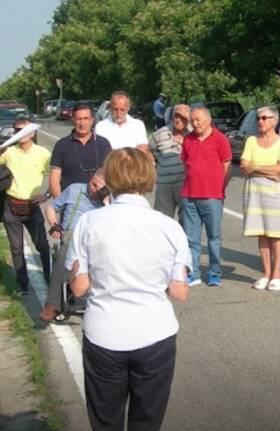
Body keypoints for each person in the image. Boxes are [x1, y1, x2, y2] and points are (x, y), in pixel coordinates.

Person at [65, 148, 191, 429]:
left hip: (104, 333)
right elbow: (179, 292)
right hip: (154, 333)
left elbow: (78, 287)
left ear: (109, 177)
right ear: (149, 176)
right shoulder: (170, 227)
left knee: (105, 419)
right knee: (147, 420)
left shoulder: (88, 222)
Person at [39, 170, 109, 321]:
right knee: (63, 258)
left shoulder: (108, 202)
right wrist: (54, 225)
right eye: (94, 184)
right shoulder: (75, 189)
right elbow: (51, 208)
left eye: (100, 188)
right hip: (71, 239)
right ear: (90, 179)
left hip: (95, 242)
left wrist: (106, 203)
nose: (95, 189)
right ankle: (52, 305)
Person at [240, 106, 280, 291]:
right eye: (258, 118)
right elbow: (244, 166)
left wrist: (256, 168)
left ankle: (277, 273)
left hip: (276, 194)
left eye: (264, 118)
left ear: (274, 121)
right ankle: (266, 272)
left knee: (276, 234)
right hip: (255, 192)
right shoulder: (251, 141)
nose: (260, 121)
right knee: (262, 233)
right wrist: (263, 169)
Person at [181, 107, 232, 287]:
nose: (194, 123)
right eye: (192, 120)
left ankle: (214, 272)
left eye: (198, 120)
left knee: (213, 237)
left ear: (208, 120)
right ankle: (193, 272)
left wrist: (218, 188)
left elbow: (227, 167)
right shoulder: (188, 139)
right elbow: (187, 165)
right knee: (191, 238)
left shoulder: (220, 139)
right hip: (189, 196)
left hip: (212, 197)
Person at [0, 118, 51, 295]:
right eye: (16, 130)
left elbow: (55, 176)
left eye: (24, 129)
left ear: (32, 132)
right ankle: (23, 284)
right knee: (16, 248)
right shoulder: (9, 152)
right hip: (11, 206)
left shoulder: (43, 153)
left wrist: (46, 195)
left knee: (42, 245)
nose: (20, 133)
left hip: (32, 207)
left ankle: (49, 277)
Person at [49, 102, 112, 198]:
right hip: (70, 204)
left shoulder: (104, 144)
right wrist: (60, 204)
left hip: (99, 204)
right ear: (73, 120)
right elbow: (54, 179)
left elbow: (112, 174)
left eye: (86, 119)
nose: (82, 123)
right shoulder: (61, 145)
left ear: (92, 120)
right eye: (79, 119)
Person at [149, 104, 190, 223]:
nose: (178, 120)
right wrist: (152, 164)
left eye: (182, 117)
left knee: (187, 222)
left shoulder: (193, 134)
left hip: (186, 186)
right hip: (164, 186)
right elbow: (147, 148)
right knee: (162, 222)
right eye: (175, 116)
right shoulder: (161, 132)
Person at [94, 91, 149, 155]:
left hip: (133, 163)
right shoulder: (100, 126)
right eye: (115, 109)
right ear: (111, 108)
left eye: (122, 110)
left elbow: (142, 148)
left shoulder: (138, 125)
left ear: (128, 108)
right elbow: (99, 151)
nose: (118, 113)